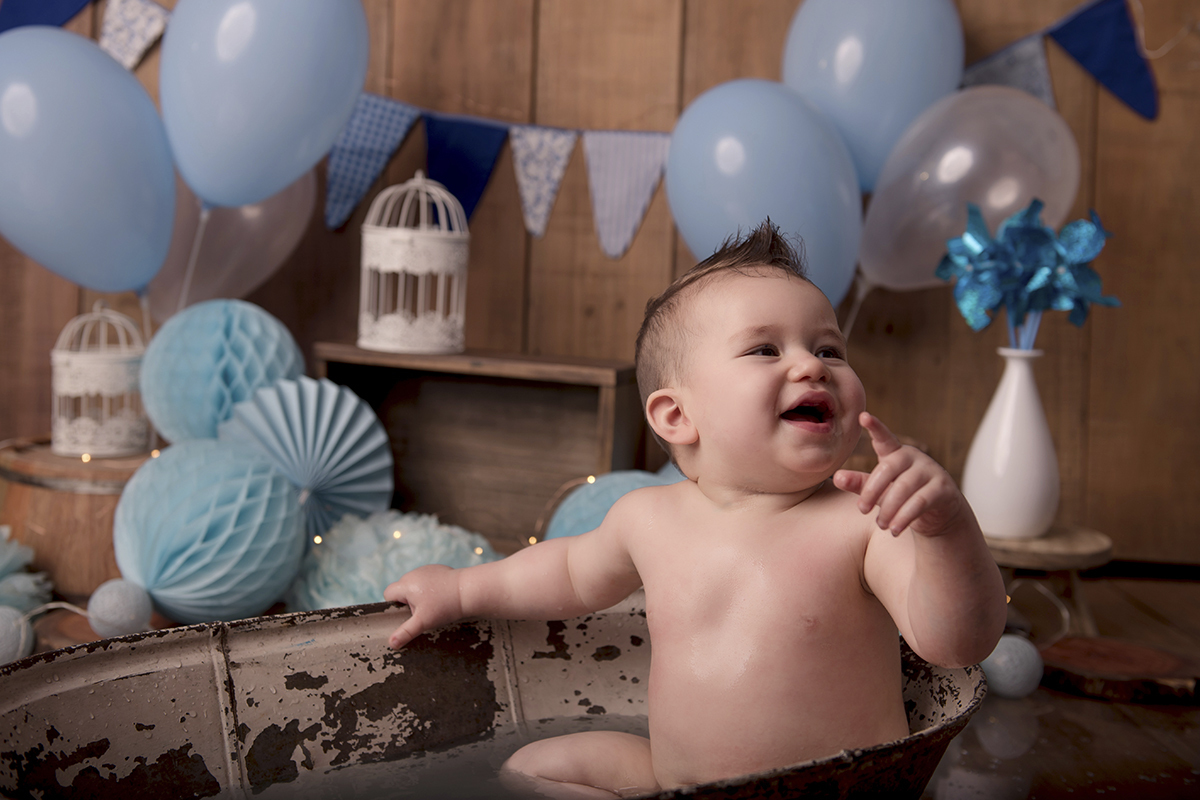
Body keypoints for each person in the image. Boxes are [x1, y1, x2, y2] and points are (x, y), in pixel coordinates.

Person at [384, 221, 1007, 799]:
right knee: (529, 769)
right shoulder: (648, 518)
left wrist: (947, 531)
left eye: (830, 349)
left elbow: (953, 645)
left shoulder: (864, 520)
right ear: (678, 416)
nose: (811, 363)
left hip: (827, 790)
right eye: (765, 350)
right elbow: (564, 574)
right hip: (672, 779)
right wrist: (462, 591)